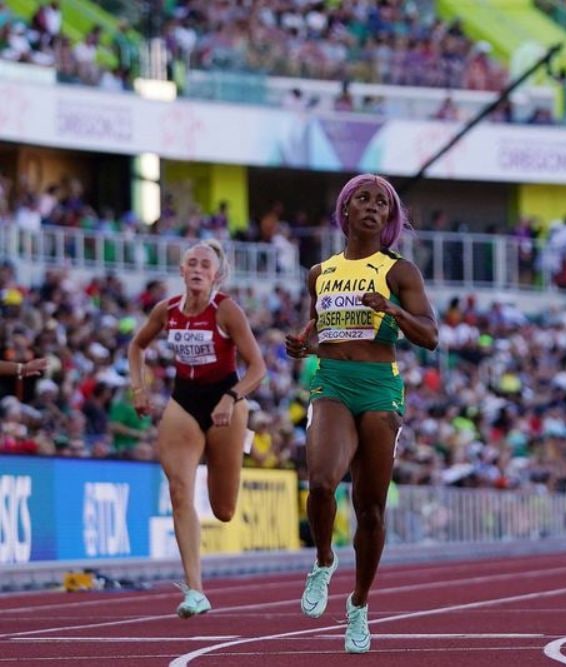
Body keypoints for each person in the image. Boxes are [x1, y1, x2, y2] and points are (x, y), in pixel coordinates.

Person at [285, 174, 438, 654]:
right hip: (331, 381)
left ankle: (359, 604)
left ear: (389, 219)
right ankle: (324, 560)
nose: (373, 207)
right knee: (323, 481)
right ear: (345, 211)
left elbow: (430, 336)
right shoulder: (320, 273)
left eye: (382, 203)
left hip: (378, 388)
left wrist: (391, 309)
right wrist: (304, 343)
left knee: (370, 508)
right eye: (363, 200)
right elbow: (320, 332)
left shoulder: (399, 271)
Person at [127, 239, 267, 618]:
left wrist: (232, 398)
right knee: (178, 490)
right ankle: (195, 590)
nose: (197, 269)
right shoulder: (167, 310)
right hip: (184, 402)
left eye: (205, 264)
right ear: (181, 271)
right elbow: (136, 347)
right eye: (192, 262)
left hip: (227, 402)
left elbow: (258, 367)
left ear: (216, 274)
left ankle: (239, 442)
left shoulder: (227, 311)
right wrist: (139, 389)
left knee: (223, 509)